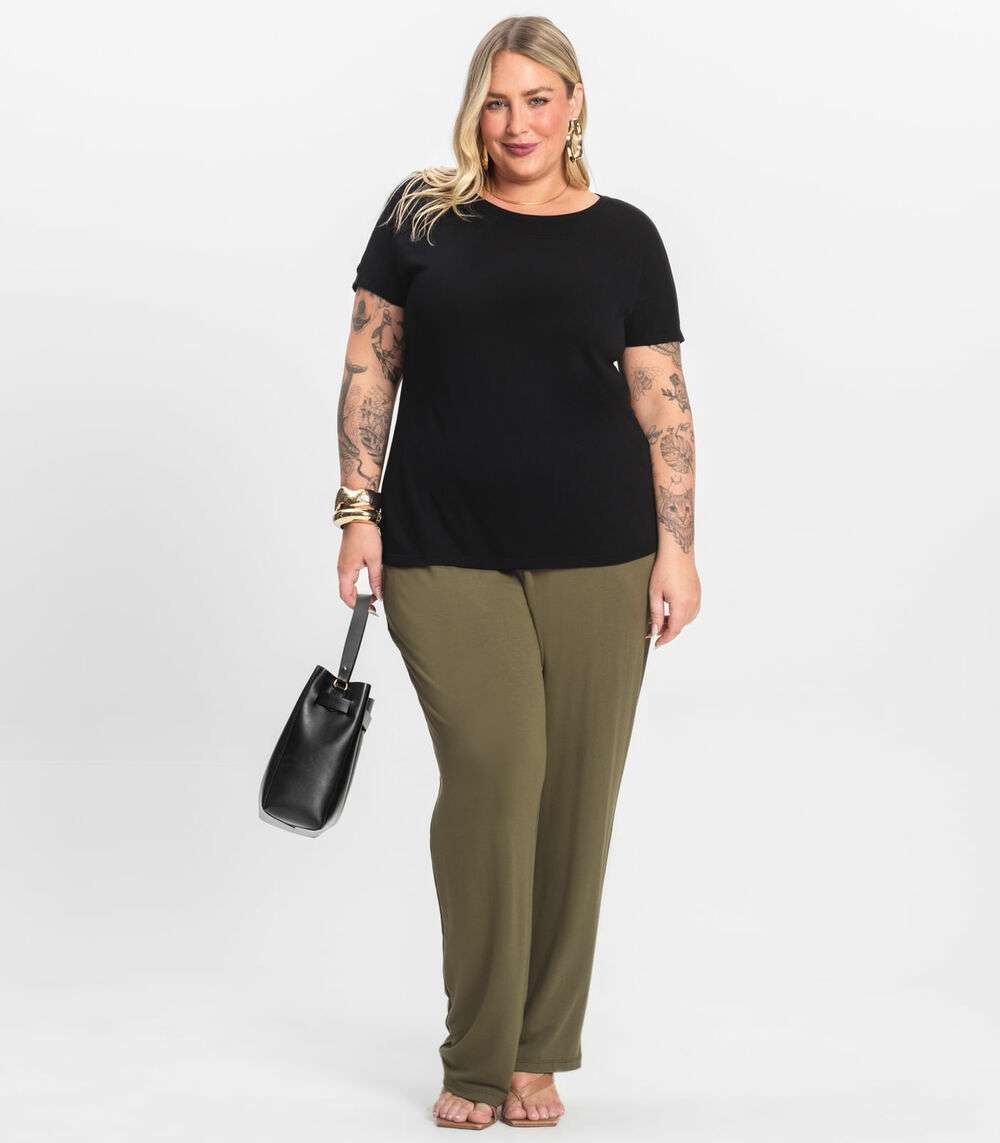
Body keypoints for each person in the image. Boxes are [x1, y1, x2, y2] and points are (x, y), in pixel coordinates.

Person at [334, 15, 701, 1130]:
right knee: (497, 776)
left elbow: (661, 400)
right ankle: (478, 1052)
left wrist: (678, 546)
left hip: (604, 550)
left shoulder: (625, 236)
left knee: (577, 799)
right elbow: (369, 367)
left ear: (573, 103)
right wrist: (356, 510)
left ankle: (540, 1051)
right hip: (442, 546)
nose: (517, 123)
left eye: (538, 99)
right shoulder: (421, 216)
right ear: (473, 109)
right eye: (497, 101)